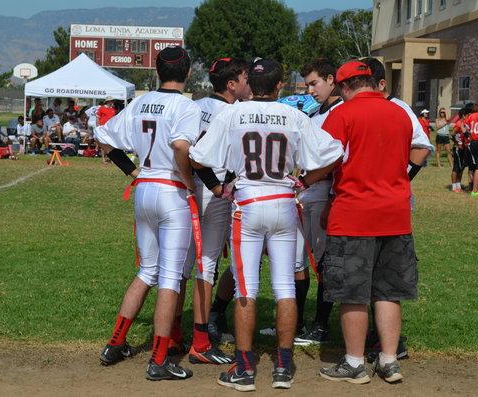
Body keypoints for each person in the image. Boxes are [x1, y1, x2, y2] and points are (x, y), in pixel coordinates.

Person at [190, 58, 343, 391]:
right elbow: (334, 153)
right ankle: (283, 367)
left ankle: (244, 369)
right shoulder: (296, 115)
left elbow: (198, 156)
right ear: (279, 86)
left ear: (252, 84)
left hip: (247, 203)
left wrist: (222, 184)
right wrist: (305, 181)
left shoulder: (231, 114)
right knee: (285, 287)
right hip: (284, 201)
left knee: (247, 289)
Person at [95, 46, 202, 381]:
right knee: (169, 277)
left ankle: (116, 343)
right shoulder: (186, 105)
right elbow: (182, 147)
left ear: (157, 72)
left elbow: (104, 138)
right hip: (171, 191)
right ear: (187, 73)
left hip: (144, 186)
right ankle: (158, 361)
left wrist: (131, 170)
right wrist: (187, 182)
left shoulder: (140, 102)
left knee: (147, 271)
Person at [318, 60, 424, 384]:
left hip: (354, 214)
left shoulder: (342, 114)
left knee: (353, 292)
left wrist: (306, 180)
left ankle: (354, 362)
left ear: (346, 87)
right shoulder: (401, 113)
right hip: (395, 213)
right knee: (388, 292)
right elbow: (416, 151)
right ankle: (389, 361)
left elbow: (324, 158)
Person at [175, 57, 250, 365]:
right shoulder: (231, 113)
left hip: (188, 190)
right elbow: (199, 156)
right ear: (231, 84)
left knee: (183, 265)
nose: (248, 83)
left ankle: (173, 332)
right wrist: (218, 187)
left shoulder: (198, 105)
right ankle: (201, 340)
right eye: (245, 77)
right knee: (206, 265)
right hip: (214, 190)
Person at [292, 58, 343, 347]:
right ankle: (295, 323)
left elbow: (335, 159)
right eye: (307, 84)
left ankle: (320, 325)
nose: (310, 90)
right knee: (296, 260)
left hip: (322, 190)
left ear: (330, 79)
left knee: (322, 261)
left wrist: (310, 183)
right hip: (306, 192)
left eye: (314, 83)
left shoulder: (340, 111)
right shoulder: (316, 113)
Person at [450, 109, 470, 192]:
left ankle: (459, 185)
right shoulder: (458, 124)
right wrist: (457, 143)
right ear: (464, 115)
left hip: (464, 148)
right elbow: (452, 134)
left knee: (461, 167)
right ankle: (454, 186)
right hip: (458, 148)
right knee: (456, 167)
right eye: (468, 115)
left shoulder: (465, 124)